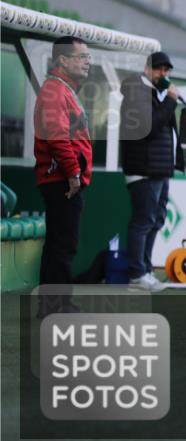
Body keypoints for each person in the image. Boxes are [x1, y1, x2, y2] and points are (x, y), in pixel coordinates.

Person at [119, 51, 185, 292]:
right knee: (143, 221)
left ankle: (145, 270)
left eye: (167, 70)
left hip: (158, 170)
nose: (163, 74)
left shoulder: (152, 92)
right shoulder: (137, 90)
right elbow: (149, 126)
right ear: (148, 68)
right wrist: (170, 100)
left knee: (155, 220)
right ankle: (137, 274)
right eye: (159, 69)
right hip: (144, 170)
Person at [34, 36, 93, 287]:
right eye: (82, 57)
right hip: (62, 180)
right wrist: (73, 174)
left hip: (63, 178)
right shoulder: (55, 89)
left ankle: (53, 306)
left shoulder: (61, 88)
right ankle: (56, 307)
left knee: (61, 243)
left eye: (88, 57)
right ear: (63, 60)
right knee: (63, 245)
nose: (88, 62)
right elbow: (57, 137)